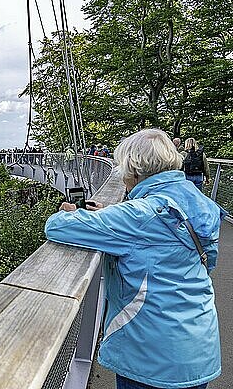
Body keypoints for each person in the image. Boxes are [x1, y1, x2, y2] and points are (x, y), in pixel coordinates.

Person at [45, 129, 226, 389]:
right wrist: (114, 214)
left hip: (153, 356)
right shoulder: (198, 201)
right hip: (199, 347)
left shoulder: (139, 215)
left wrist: (69, 213)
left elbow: (57, 227)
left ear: (134, 169)